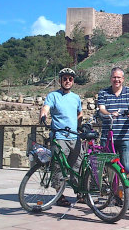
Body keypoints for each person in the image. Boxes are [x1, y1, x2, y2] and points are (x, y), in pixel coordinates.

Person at [39, 68, 83, 207]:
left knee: (78, 164)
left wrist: (79, 125)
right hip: (59, 136)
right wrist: (43, 116)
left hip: (74, 136)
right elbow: (46, 107)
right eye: (65, 78)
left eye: (70, 79)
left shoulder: (76, 97)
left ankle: (80, 192)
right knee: (59, 166)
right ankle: (59, 194)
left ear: (73, 81)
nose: (67, 81)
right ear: (60, 80)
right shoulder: (53, 95)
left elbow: (80, 113)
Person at [98, 67, 129, 174]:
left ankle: (126, 190)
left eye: (119, 77)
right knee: (109, 170)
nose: (116, 80)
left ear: (123, 79)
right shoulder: (103, 93)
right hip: (108, 137)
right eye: (114, 77)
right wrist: (110, 114)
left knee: (127, 169)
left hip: (125, 137)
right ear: (110, 78)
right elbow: (102, 109)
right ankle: (112, 190)